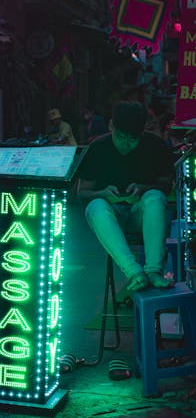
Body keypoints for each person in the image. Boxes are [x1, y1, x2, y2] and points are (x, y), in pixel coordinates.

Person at [77, 100, 175, 291]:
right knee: (95, 206)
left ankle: (154, 271)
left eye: (133, 139)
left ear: (143, 132)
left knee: (155, 197)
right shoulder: (98, 148)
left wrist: (143, 189)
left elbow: (166, 186)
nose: (126, 145)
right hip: (111, 217)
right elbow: (82, 193)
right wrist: (103, 194)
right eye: (120, 137)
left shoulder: (156, 146)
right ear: (111, 126)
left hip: (141, 213)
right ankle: (134, 272)